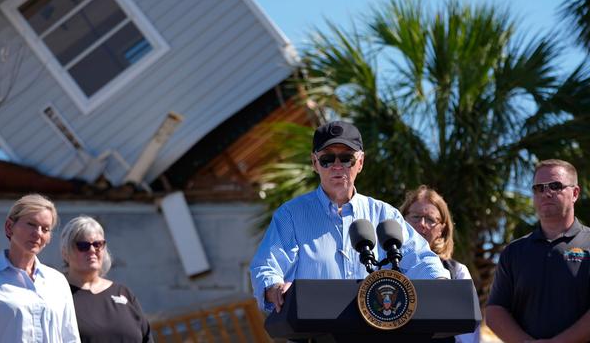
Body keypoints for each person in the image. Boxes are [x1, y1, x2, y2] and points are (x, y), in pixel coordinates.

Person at [250, 121, 449, 313]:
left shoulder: (384, 215)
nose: (337, 166)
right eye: (327, 159)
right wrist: (273, 287)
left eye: (346, 158)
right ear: (314, 163)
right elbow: (267, 265)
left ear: (360, 162)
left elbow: (420, 259)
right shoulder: (291, 215)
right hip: (313, 334)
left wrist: (440, 283)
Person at [486, 159, 590, 342]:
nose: (546, 193)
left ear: (575, 193)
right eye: (538, 188)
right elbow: (495, 311)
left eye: (555, 186)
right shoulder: (514, 252)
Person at [0, 194, 80, 342]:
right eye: (31, 224)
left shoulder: (58, 282)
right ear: (9, 227)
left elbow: (70, 339)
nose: (38, 234)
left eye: (45, 229)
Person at [400, 185, 479, 343]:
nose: (422, 224)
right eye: (415, 217)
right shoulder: (382, 266)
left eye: (430, 219)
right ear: (402, 219)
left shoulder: (456, 272)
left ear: (441, 229)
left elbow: (469, 336)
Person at [60, 215, 153, 343]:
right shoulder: (58, 295)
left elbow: (147, 338)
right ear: (65, 252)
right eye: (83, 245)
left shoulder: (123, 293)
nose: (92, 250)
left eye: (98, 244)